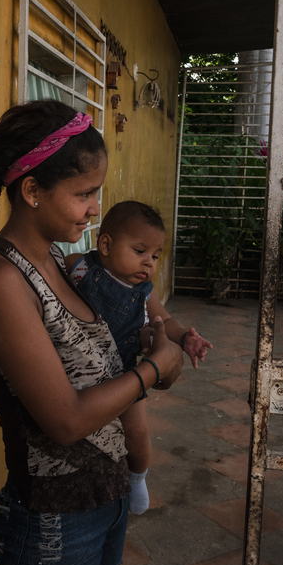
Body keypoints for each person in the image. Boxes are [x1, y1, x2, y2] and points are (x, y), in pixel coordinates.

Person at [0, 99, 184, 565]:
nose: (95, 209)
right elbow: (65, 421)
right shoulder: (0, 281)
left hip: (107, 498)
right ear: (32, 190)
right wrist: (151, 371)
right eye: (84, 193)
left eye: (96, 193)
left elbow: (100, 365)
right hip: (55, 522)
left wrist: (154, 350)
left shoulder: (63, 264)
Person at [65, 201, 213, 515]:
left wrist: (185, 338)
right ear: (106, 245)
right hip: (78, 367)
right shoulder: (78, 267)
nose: (149, 262)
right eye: (140, 251)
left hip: (125, 371)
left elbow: (164, 320)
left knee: (137, 431)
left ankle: (137, 477)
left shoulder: (144, 290)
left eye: (155, 256)